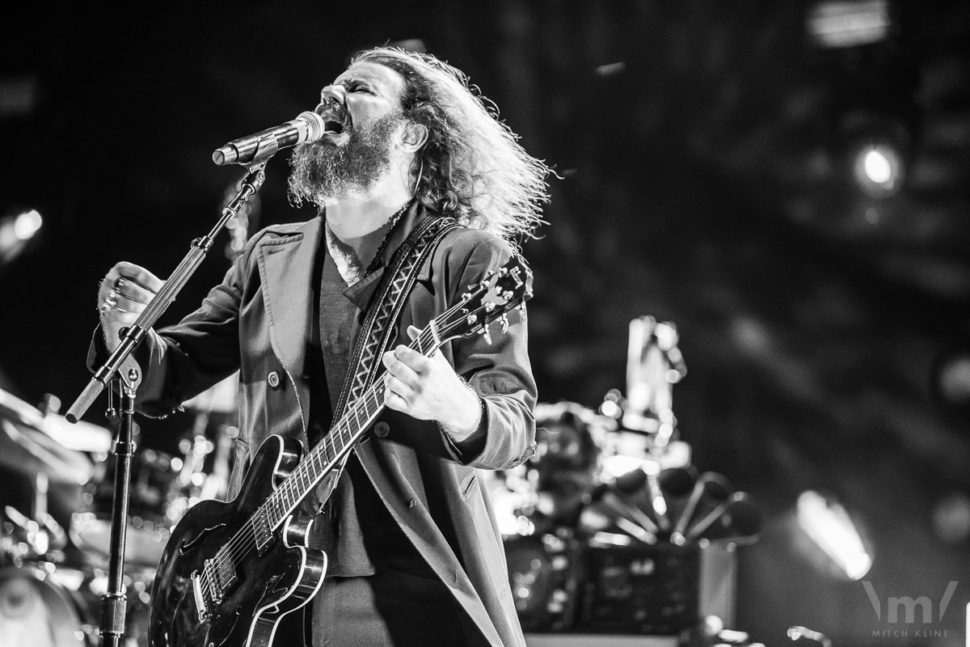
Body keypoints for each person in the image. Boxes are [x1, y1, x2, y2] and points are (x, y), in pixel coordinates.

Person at [92, 46, 550, 647]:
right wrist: (123, 328)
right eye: (328, 90)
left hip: (403, 591)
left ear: (411, 133)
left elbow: (513, 423)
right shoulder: (269, 255)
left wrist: (455, 406)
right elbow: (164, 377)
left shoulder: (466, 259)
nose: (331, 100)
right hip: (263, 586)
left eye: (359, 90)